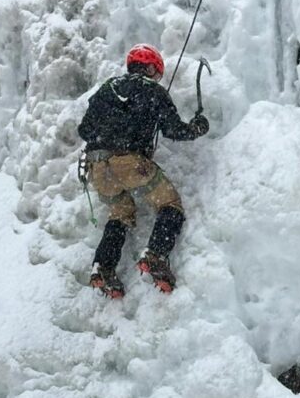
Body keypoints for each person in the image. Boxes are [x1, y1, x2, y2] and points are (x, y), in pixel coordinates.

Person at [78, 44, 209, 298]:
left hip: (97, 166)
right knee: (169, 203)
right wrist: (197, 127)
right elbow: (174, 131)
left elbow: (85, 130)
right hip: (129, 161)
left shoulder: (107, 88)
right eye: (155, 71)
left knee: (121, 212)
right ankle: (156, 255)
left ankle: (103, 268)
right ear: (149, 67)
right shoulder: (153, 91)